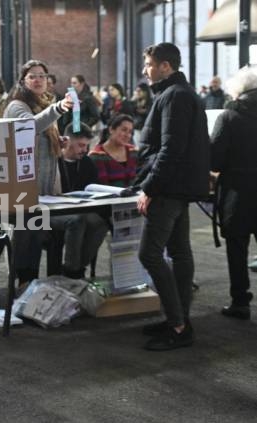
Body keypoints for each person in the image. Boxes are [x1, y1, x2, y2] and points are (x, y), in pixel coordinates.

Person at [134, 42, 210, 351]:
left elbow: (170, 149)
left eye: (149, 64)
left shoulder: (175, 96)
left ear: (166, 66)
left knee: (149, 254)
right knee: (179, 253)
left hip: (168, 189)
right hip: (179, 187)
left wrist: (149, 188)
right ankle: (178, 320)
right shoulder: (179, 93)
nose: (145, 70)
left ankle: (178, 325)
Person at [4, 59, 74, 284]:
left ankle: (51, 281)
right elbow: (29, 127)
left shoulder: (42, 105)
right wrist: (58, 108)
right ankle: (24, 284)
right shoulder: (17, 106)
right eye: (32, 76)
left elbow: (41, 132)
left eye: (42, 76)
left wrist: (56, 141)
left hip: (45, 187)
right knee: (28, 238)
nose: (37, 80)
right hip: (24, 189)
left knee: (43, 235)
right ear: (23, 81)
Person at [210, 66, 257, 320]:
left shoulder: (229, 117)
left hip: (238, 193)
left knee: (237, 249)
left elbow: (215, 160)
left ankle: (240, 302)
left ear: (238, 91)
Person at [51, 123, 109, 279]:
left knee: (101, 223)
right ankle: (73, 272)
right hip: (53, 210)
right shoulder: (53, 161)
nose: (84, 150)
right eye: (81, 145)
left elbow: (93, 188)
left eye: (87, 145)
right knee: (78, 221)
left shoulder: (87, 162)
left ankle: (75, 268)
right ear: (68, 141)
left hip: (81, 208)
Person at [89, 114, 138, 187]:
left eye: (130, 132)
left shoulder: (134, 152)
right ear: (111, 129)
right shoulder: (97, 155)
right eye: (124, 130)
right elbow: (102, 186)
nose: (127, 135)